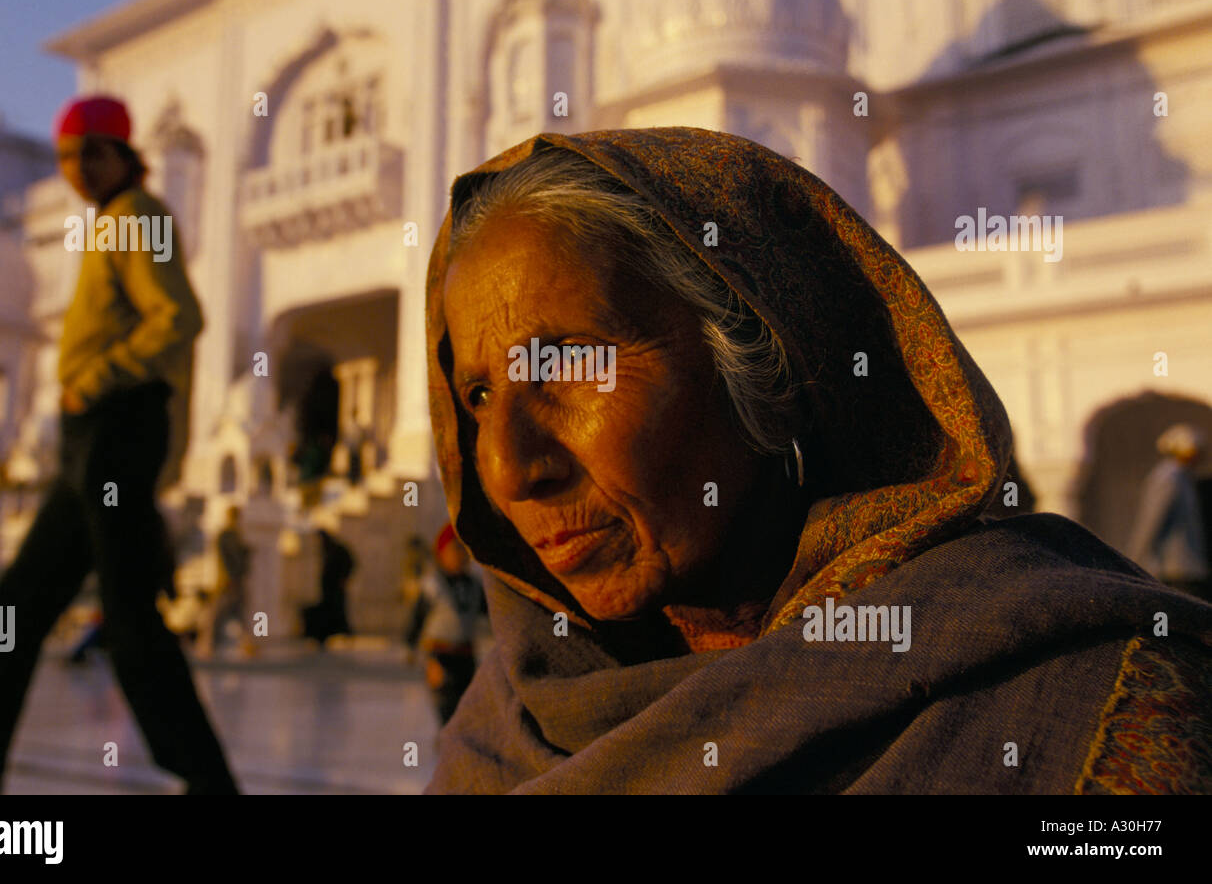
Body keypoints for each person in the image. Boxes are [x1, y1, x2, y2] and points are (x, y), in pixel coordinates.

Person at [422, 128, 1212, 794]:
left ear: (768, 361)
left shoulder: (1085, 694)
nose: (507, 468)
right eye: (479, 397)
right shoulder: (512, 731)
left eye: (566, 365)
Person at [0, 95, 238, 795]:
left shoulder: (138, 215)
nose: (76, 170)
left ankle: (208, 780)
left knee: (130, 619)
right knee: (18, 607)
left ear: (123, 154)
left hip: (116, 430)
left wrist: (98, 377)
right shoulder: (113, 221)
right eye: (67, 157)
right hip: (91, 440)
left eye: (90, 154)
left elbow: (180, 316)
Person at [404, 523, 486, 724]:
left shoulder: (474, 585)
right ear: (442, 554)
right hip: (440, 655)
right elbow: (417, 620)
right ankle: (448, 744)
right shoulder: (432, 585)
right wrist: (418, 654)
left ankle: (458, 745)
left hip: (466, 654)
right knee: (446, 706)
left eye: (464, 550)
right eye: (455, 549)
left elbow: (493, 613)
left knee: (466, 707)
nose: (460, 556)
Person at [1128, 424, 1210, 600]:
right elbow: (1152, 521)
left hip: (1187, 568)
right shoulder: (1168, 477)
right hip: (1173, 570)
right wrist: (1135, 561)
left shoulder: (1183, 477)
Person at [197, 505, 256, 659]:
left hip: (233, 579)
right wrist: (232, 575)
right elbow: (228, 559)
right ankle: (209, 644)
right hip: (229, 580)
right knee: (220, 613)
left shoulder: (234, 534)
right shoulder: (228, 535)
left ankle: (248, 644)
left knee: (242, 612)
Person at [301, 526, 355, 645]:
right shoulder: (328, 549)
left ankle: (344, 635)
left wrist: (343, 579)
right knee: (329, 613)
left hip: (335, 589)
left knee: (337, 613)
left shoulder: (337, 549)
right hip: (328, 589)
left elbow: (350, 563)